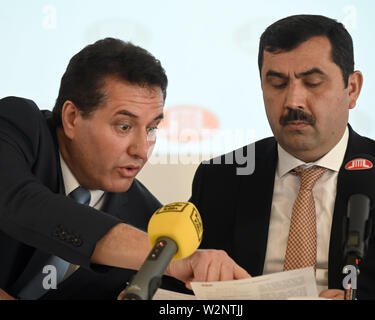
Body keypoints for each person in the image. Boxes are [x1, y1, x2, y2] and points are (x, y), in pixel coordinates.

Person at [0, 38, 249, 300]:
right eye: (124, 126)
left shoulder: (148, 221)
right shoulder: (18, 124)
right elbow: (19, 201)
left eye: (152, 128)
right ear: (72, 117)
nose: (141, 150)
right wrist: (165, 257)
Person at [190, 14, 375, 300]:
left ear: (352, 89)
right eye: (277, 84)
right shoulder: (221, 177)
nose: (293, 101)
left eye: (313, 82)